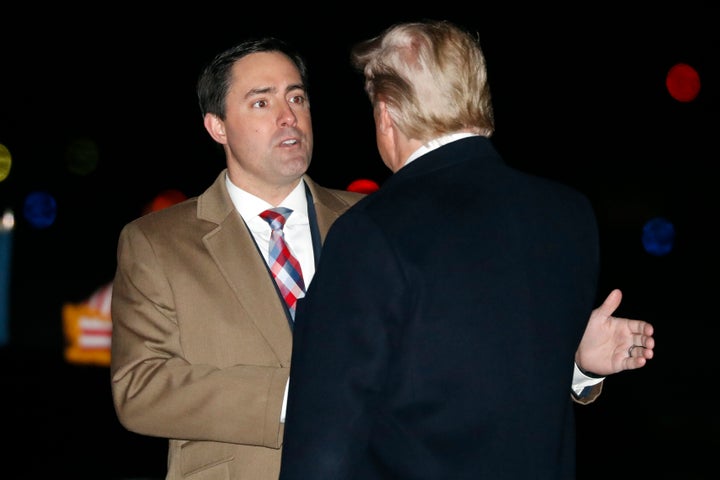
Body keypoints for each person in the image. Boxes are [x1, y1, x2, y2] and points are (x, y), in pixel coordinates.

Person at [110, 35, 652, 480]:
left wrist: (575, 364)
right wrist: (309, 394)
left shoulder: (379, 221)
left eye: (297, 97)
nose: (288, 116)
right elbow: (141, 389)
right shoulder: (158, 242)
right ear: (216, 126)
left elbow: (461, 363)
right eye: (262, 101)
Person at [278, 20, 653, 480]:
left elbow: (325, 445)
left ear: (386, 113)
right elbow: (495, 379)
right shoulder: (567, 214)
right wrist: (576, 365)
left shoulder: (372, 230)